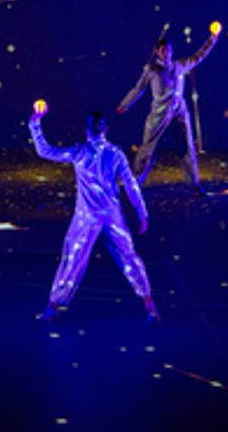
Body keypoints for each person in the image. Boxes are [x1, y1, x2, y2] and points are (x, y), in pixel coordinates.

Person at [29, 103, 159, 322]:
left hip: (101, 216)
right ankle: (53, 305)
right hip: (97, 216)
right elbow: (130, 184)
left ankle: (149, 305)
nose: (97, 128)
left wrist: (142, 212)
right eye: (95, 125)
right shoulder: (93, 152)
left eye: (98, 124)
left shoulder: (103, 153)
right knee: (77, 258)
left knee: (117, 256)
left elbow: (130, 184)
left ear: (98, 129)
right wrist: (35, 122)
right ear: (97, 129)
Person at [117, 22, 220, 194]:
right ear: (157, 52)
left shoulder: (180, 65)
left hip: (179, 110)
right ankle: (135, 182)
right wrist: (125, 104)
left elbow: (199, 56)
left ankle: (193, 183)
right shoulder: (152, 70)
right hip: (159, 111)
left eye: (168, 50)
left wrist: (213, 38)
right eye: (162, 50)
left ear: (172, 50)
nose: (165, 53)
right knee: (147, 146)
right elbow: (138, 88)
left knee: (186, 146)